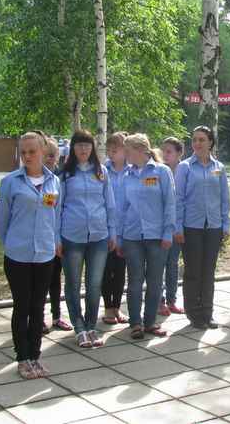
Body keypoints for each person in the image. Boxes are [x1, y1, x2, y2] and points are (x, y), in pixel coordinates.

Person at [0, 132, 62, 379]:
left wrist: (54, 242)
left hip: (44, 255)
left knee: (38, 308)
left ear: (43, 151)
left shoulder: (54, 181)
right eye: (23, 152)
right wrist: (11, 245)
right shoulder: (11, 182)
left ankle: (35, 356)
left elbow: (56, 217)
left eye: (32, 151)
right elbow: (2, 221)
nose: (27, 156)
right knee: (21, 307)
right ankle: (22, 358)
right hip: (18, 256)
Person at [59, 130, 117, 348]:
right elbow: (57, 208)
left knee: (94, 284)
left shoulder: (101, 172)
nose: (83, 149)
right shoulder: (65, 175)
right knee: (73, 284)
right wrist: (57, 238)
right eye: (79, 145)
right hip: (72, 236)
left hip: (99, 237)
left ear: (93, 148)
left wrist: (112, 233)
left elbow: (110, 205)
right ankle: (79, 327)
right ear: (72, 149)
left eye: (87, 145)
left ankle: (91, 325)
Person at [120, 133, 176, 339]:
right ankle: (135, 323)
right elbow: (122, 208)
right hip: (132, 235)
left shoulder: (162, 172)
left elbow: (170, 203)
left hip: (157, 235)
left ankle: (150, 322)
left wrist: (168, 232)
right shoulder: (127, 175)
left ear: (141, 151)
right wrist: (119, 237)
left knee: (154, 280)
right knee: (135, 280)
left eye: (128, 151)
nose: (125, 155)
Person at [175, 126, 230, 329]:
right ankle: (194, 314)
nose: (197, 143)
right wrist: (178, 228)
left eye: (201, 140)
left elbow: (225, 199)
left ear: (210, 142)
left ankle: (208, 312)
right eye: (194, 139)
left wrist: (225, 224)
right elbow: (178, 199)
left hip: (214, 226)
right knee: (193, 272)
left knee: (208, 272)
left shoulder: (219, 167)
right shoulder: (185, 167)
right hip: (192, 227)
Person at [41, 137, 73, 334]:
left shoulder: (60, 177)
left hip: (58, 237)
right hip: (41, 238)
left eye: (52, 155)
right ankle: (38, 317)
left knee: (55, 279)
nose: (48, 159)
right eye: (44, 155)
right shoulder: (34, 178)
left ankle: (56, 316)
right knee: (40, 282)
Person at [101, 132, 129, 325]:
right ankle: (108, 307)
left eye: (115, 149)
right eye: (109, 149)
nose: (111, 153)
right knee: (105, 270)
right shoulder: (102, 169)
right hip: (105, 229)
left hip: (126, 230)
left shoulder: (133, 170)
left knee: (120, 271)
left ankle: (117, 307)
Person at [158, 137, 185, 317]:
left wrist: (179, 228)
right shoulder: (158, 171)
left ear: (179, 154)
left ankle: (172, 300)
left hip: (178, 228)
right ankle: (158, 301)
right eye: (163, 151)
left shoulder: (184, 172)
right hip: (160, 228)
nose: (165, 155)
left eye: (169, 151)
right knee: (158, 266)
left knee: (173, 264)